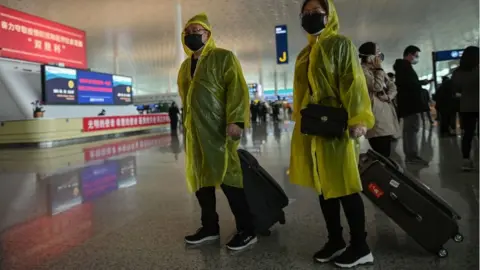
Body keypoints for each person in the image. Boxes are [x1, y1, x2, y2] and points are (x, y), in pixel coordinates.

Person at [290, 0, 375, 268]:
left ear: (329, 16)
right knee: (324, 187)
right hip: (314, 128)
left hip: (338, 127)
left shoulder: (340, 45)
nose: (310, 17)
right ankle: (335, 240)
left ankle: (361, 246)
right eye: (306, 13)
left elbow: (353, 82)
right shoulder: (305, 54)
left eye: (316, 13)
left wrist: (359, 118)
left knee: (345, 186)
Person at [177, 13, 256, 251]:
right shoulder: (184, 66)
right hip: (195, 133)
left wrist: (236, 120)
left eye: (197, 32)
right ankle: (210, 227)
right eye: (188, 33)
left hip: (219, 131)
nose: (192, 36)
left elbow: (237, 89)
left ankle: (247, 229)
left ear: (208, 35)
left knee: (229, 177)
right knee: (202, 180)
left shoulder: (223, 57)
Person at [359, 42, 400, 158]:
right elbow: (376, 87)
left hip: (386, 115)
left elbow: (393, 87)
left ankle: (384, 175)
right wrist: (379, 70)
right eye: (377, 52)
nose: (379, 55)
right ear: (370, 56)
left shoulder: (378, 70)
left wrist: (388, 97)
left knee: (386, 152)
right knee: (382, 153)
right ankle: (382, 175)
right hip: (376, 117)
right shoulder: (362, 71)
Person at [393, 45, 431, 165]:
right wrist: (420, 83)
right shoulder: (405, 67)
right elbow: (409, 84)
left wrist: (419, 83)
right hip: (410, 104)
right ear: (409, 54)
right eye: (416, 56)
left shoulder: (402, 67)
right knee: (411, 130)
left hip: (407, 104)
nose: (417, 58)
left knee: (409, 130)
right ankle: (411, 156)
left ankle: (411, 155)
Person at [451, 46, 479, 171]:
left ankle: (466, 161)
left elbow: (456, 91)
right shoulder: (478, 70)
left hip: (466, 107)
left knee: (467, 134)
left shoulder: (457, 72)